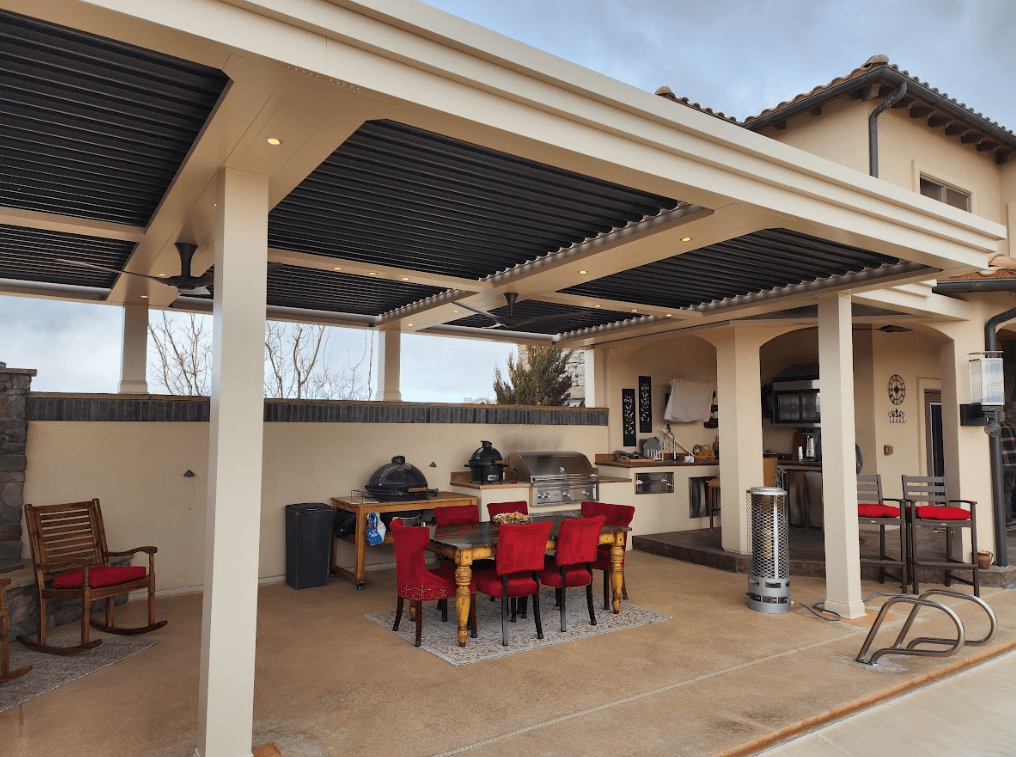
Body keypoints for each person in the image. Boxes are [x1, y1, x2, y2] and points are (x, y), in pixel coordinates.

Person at [1000, 416, 1016, 525]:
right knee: (1007, 490)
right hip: (1013, 464)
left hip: (1000, 465)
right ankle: (1007, 517)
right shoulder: (1010, 428)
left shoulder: (992, 429)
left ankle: (1003, 518)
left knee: (999, 491)